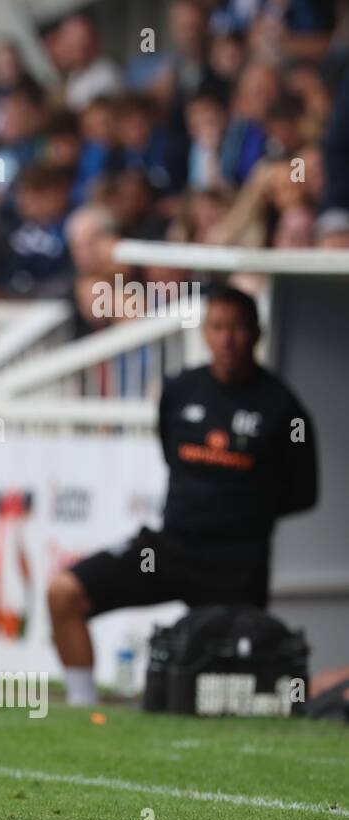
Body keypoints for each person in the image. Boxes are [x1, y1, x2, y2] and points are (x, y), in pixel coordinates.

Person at [48, 286, 319, 706]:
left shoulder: (283, 408)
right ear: (206, 333)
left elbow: (303, 493)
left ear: (257, 333)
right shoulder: (180, 390)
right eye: (217, 327)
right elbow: (170, 451)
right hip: (169, 550)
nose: (227, 339)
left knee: (230, 687)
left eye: (237, 328)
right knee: (64, 593)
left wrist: (241, 510)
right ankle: (84, 707)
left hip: (237, 565)